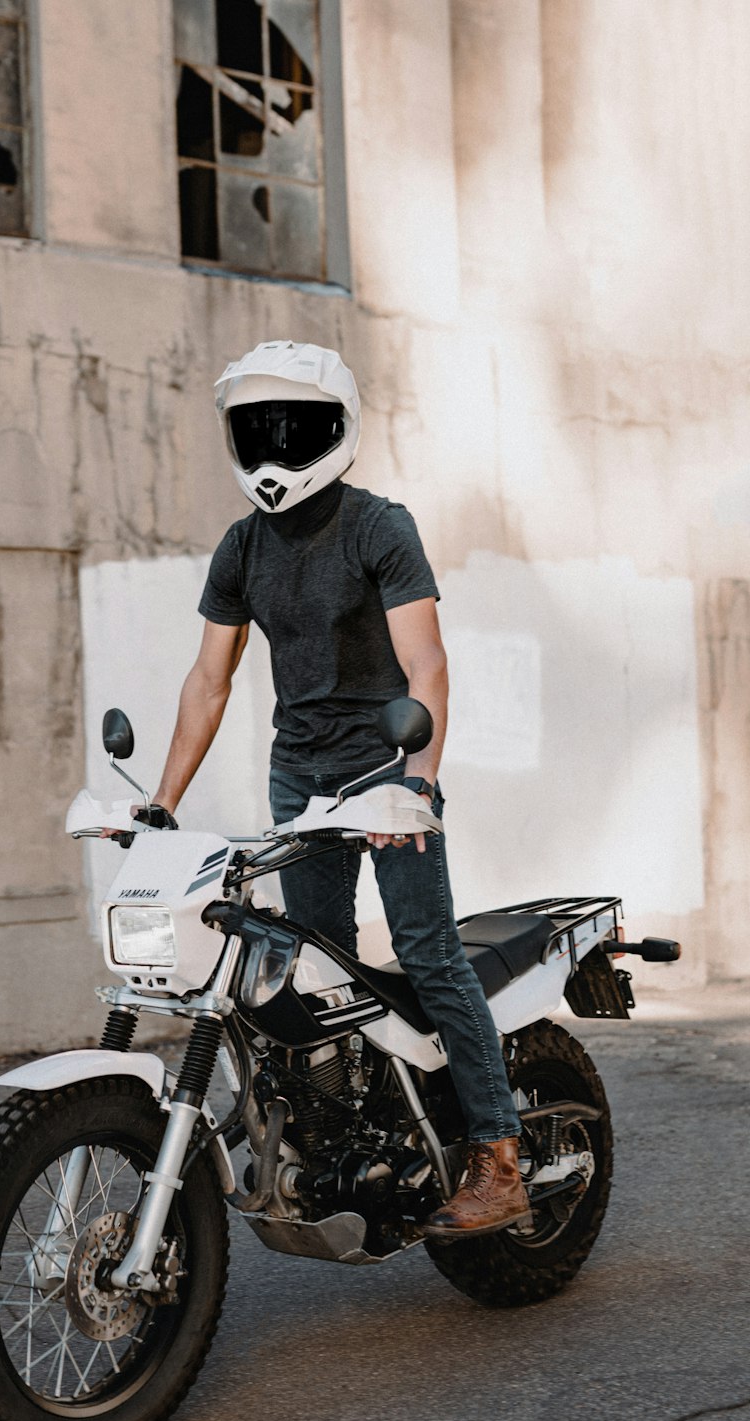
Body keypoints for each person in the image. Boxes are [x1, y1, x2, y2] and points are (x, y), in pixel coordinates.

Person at [148, 339, 528, 1239]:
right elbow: (209, 680)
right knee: (310, 965)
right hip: (302, 776)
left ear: (338, 430)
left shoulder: (377, 526)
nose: (275, 449)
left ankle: (499, 1153)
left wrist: (418, 783)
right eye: (257, 430)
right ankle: (344, 1131)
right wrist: (159, 805)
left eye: (296, 428)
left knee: (425, 948)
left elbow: (425, 661)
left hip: (385, 769)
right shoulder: (242, 546)